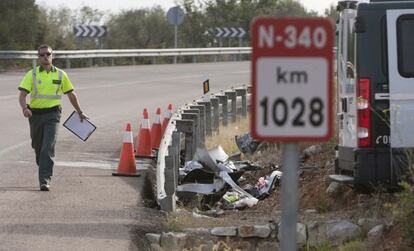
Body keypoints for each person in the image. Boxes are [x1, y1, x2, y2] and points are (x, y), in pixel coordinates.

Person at [18, 44, 88, 191]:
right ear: (38, 57)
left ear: (52, 56)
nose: (45, 57)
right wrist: (25, 108)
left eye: (48, 54)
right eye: (42, 55)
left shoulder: (61, 74)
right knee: (38, 148)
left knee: (47, 148)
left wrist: (80, 112)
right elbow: (22, 95)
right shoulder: (32, 74)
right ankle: (44, 166)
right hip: (35, 116)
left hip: (53, 115)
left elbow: (70, 94)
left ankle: (44, 180)